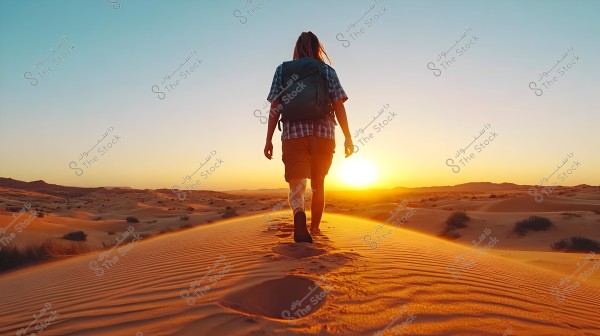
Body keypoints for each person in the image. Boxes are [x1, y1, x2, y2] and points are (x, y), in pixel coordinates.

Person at [263, 31, 354, 243]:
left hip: (293, 133)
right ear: (317, 48)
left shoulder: (282, 70)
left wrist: (268, 140)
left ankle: (298, 214)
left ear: (297, 47)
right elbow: (338, 104)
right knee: (318, 183)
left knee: (297, 180)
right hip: (323, 134)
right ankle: (315, 229)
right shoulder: (327, 70)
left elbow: (275, 107)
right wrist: (348, 137)